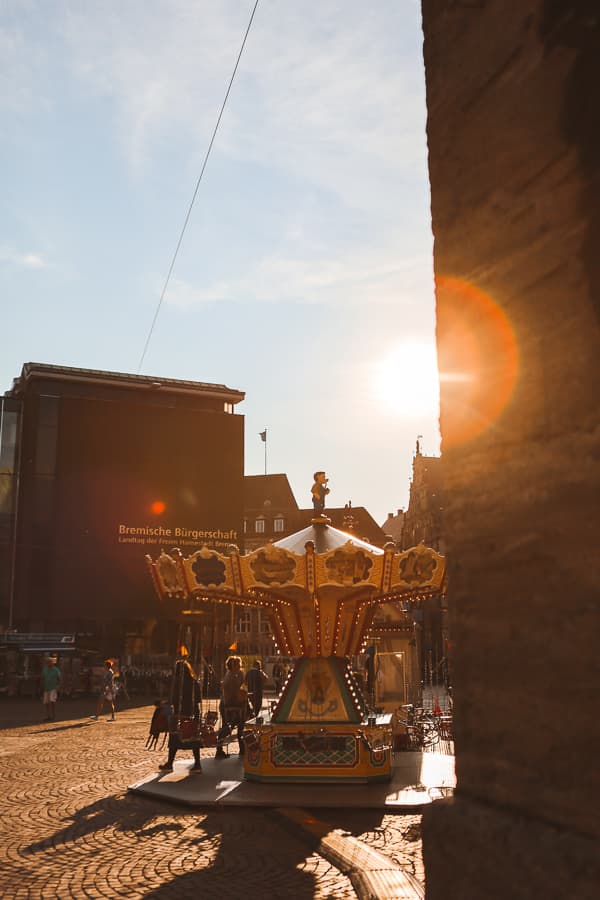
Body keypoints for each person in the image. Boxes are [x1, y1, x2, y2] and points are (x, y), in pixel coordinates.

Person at [159, 646, 202, 773]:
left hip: (180, 713)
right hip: (193, 712)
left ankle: (170, 763)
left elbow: (173, 699)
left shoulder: (177, 682)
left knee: (174, 738)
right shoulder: (195, 682)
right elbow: (198, 700)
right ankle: (198, 764)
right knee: (194, 737)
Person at [215, 655, 246, 759]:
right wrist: (230, 706)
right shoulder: (230, 677)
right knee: (227, 728)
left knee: (239, 727)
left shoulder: (235, 675)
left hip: (235, 705)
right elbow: (228, 693)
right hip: (230, 706)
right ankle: (219, 749)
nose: (239, 666)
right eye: (237, 664)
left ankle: (242, 749)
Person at [41, 656, 61, 722]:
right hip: (46, 688)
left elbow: (59, 678)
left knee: (52, 701)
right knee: (46, 702)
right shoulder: (45, 669)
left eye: (49, 662)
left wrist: (58, 686)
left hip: (53, 687)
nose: (48, 663)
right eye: (47, 662)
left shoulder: (56, 670)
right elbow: (43, 678)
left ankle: (53, 716)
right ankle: (48, 716)